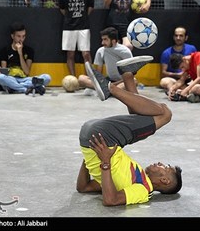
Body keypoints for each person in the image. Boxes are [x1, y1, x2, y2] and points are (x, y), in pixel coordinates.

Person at [77, 56, 182, 205]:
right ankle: (127, 75)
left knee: (165, 114)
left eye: (165, 167)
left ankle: (111, 88)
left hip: (104, 137)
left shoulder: (143, 190)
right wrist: (89, 157)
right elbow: (83, 187)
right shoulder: (137, 176)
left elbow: (110, 200)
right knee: (141, 116)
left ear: (164, 180)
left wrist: (105, 162)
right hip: (94, 138)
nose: (160, 163)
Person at [58, 0, 95, 76]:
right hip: (69, 26)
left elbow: (90, 6)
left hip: (83, 26)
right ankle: (73, 80)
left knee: (86, 54)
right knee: (70, 54)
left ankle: (90, 79)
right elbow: (62, 9)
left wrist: (82, 16)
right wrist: (71, 17)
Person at [0, 22, 51, 94]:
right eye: (18, 36)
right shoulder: (4, 51)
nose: (21, 39)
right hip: (11, 79)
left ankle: (15, 89)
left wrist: (20, 54)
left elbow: (26, 72)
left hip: (25, 79)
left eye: (23, 36)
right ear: (12, 36)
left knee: (47, 77)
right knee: (0, 78)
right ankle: (26, 89)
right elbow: (4, 72)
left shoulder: (29, 50)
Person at [78, 27, 133, 95]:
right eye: (102, 39)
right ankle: (107, 90)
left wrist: (113, 84)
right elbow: (98, 73)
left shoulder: (125, 51)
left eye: (105, 39)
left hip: (122, 81)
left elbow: (130, 75)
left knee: (134, 81)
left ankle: (105, 90)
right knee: (81, 79)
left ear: (113, 40)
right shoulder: (101, 51)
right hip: (108, 81)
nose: (102, 42)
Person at [159, 26, 197, 91]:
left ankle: (182, 90)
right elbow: (163, 73)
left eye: (181, 36)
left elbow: (196, 65)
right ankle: (172, 92)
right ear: (173, 37)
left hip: (189, 79)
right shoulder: (166, 52)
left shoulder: (192, 49)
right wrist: (177, 75)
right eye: (176, 36)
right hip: (174, 80)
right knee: (164, 81)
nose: (178, 38)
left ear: (186, 37)